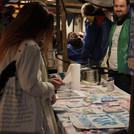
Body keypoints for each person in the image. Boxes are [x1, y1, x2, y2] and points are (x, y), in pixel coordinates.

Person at [0, 2, 64, 134]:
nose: (43, 36)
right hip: (25, 118)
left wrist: (46, 85)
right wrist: (51, 87)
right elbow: (32, 87)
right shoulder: (30, 46)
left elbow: (22, 77)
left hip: (9, 113)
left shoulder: (9, 42)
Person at [79, 3, 113, 68]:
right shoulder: (105, 19)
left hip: (94, 54)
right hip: (102, 53)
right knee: (98, 73)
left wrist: (84, 56)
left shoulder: (90, 20)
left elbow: (90, 40)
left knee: (93, 74)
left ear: (84, 13)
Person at [108, 0, 131, 94]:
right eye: (116, 6)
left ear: (128, 6)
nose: (118, 9)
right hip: (112, 73)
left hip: (125, 75)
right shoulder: (114, 26)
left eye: (121, 6)